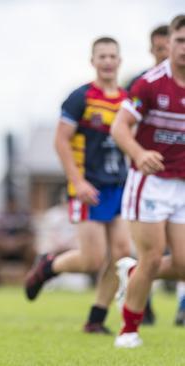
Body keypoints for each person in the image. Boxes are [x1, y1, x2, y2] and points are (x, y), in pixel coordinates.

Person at [24, 37, 131, 334]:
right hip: (88, 187)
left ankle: (96, 318)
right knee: (91, 259)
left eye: (112, 56)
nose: (108, 61)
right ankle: (47, 267)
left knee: (122, 255)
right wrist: (77, 181)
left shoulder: (128, 100)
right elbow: (60, 141)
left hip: (118, 186)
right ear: (93, 61)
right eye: (102, 56)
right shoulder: (80, 97)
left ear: (119, 61)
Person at [111, 14, 185, 348]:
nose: (183, 49)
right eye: (180, 41)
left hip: (182, 185)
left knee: (182, 264)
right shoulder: (150, 83)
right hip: (150, 183)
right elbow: (119, 127)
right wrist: (140, 154)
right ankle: (129, 331)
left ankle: (133, 274)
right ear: (169, 42)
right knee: (153, 257)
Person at [0, 196, 36, 285]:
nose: (11, 205)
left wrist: (17, 242)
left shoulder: (24, 217)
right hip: (2, 249)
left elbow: (31, 235)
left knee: (32, 249)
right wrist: (5, 243)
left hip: (20, 249)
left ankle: (31, 278)